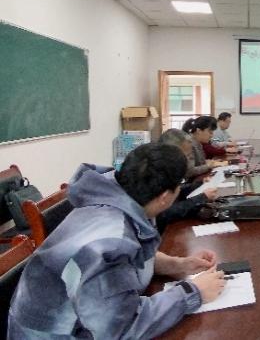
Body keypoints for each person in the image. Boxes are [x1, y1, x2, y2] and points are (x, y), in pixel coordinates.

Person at [8, 143, 226, 339]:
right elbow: (120, 329)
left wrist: (176, 265)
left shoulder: (112, 200)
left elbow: (125, 257)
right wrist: (192, 292)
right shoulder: (108, 243)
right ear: (164, 197)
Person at [157, 128, 220, 234]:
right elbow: (164, 214)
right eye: (185, 156)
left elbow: (175, 192)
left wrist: (198, 185)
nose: (187, 160)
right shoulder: (157, 173)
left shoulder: (170, 168)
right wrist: (201, 198)